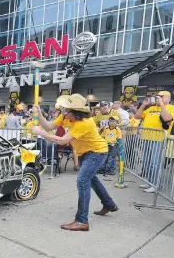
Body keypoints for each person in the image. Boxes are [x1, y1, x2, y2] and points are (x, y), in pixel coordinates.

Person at [31, 94, 117, 231]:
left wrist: (40, 133)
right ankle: (109, 204)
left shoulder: (85, 123)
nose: (63, 111)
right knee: (92, 179)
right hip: (84, 152)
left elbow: (62, 140)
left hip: (97, 152)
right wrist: (40, 115)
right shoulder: (66, 117)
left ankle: (82, 221)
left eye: (67, 109)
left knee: (83, 180)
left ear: (76, 112)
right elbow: (48, 125)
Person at [134, 91, 174, 193]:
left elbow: (167, 118)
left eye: (162, 97)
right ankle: (150, 182)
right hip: (146, 137)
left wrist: (162, 104)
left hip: (159, 139)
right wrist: (144, 105)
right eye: (158, 97)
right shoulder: (151, 108)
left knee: (155, 163)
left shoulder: (173, 108)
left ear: (168, 98)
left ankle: (156, 184)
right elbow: (137, 116)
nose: (159, 98)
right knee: (146, 163)